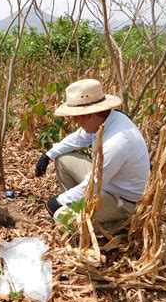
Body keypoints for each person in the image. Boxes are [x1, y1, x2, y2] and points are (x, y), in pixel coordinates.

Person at [35, 79, 150, 224]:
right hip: (107, 183)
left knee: (63, 218)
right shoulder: (105, 120)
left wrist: (59, 201)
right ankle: (78, 206)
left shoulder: (118, 141)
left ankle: (117, 226)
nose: (74, 120)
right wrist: (48, 155)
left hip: (121, 201)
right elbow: (77, 139)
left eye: (76, 116)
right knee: (63, 161)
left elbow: (92, 183)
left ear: (90, 114)